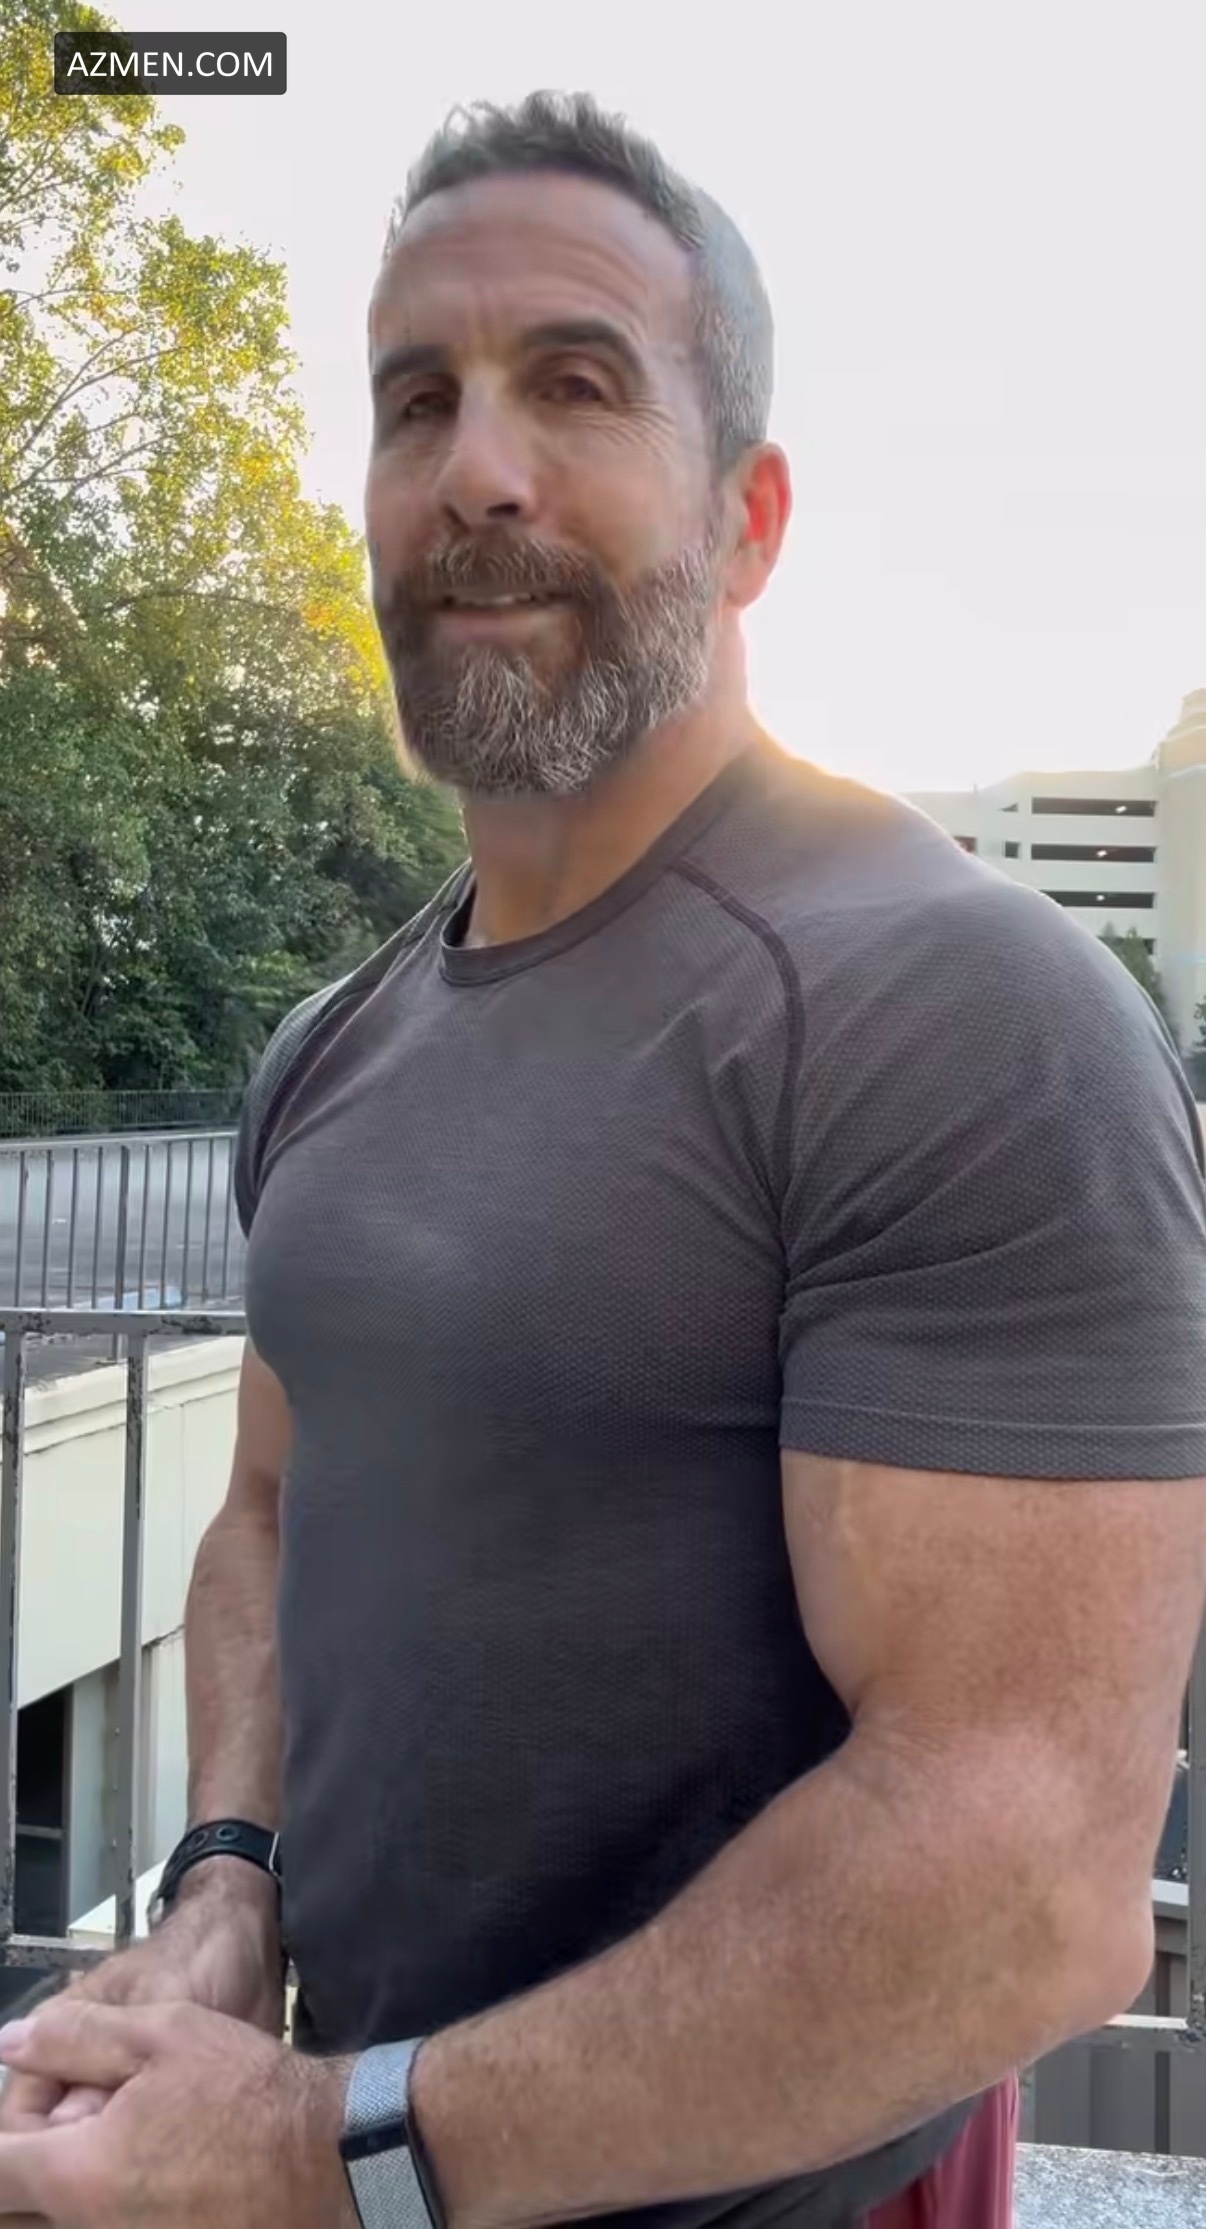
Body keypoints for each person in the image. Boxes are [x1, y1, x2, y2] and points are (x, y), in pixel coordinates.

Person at [0, 87, 1203, 2229]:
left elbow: (1024, 1878)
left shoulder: (964, 1015)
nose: (476, 467)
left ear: (750, 517)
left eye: (574, 384)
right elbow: (271, 1512)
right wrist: (226, 1892)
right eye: (415, 399)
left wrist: (317, 2150)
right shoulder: (329, 1043)